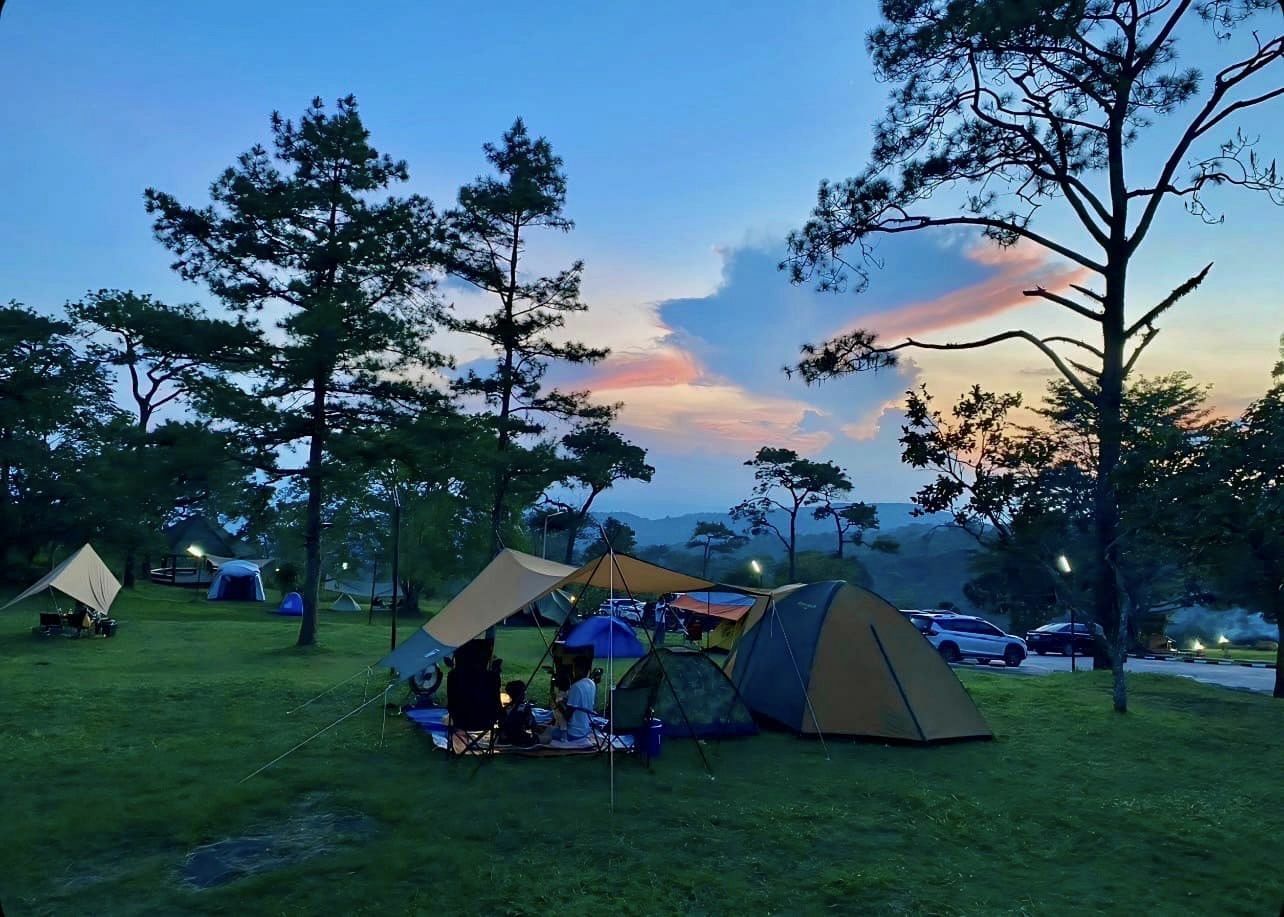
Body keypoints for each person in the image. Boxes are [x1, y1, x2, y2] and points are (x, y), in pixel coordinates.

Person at [497, 680, 538, 747]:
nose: (525, 694)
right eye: (524, 692)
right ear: (521, 694)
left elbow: (500, 724)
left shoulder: (505, 708)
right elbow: (531, 724)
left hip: (504, 738)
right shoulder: (525, 708)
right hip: (519, 739)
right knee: (543, 738)